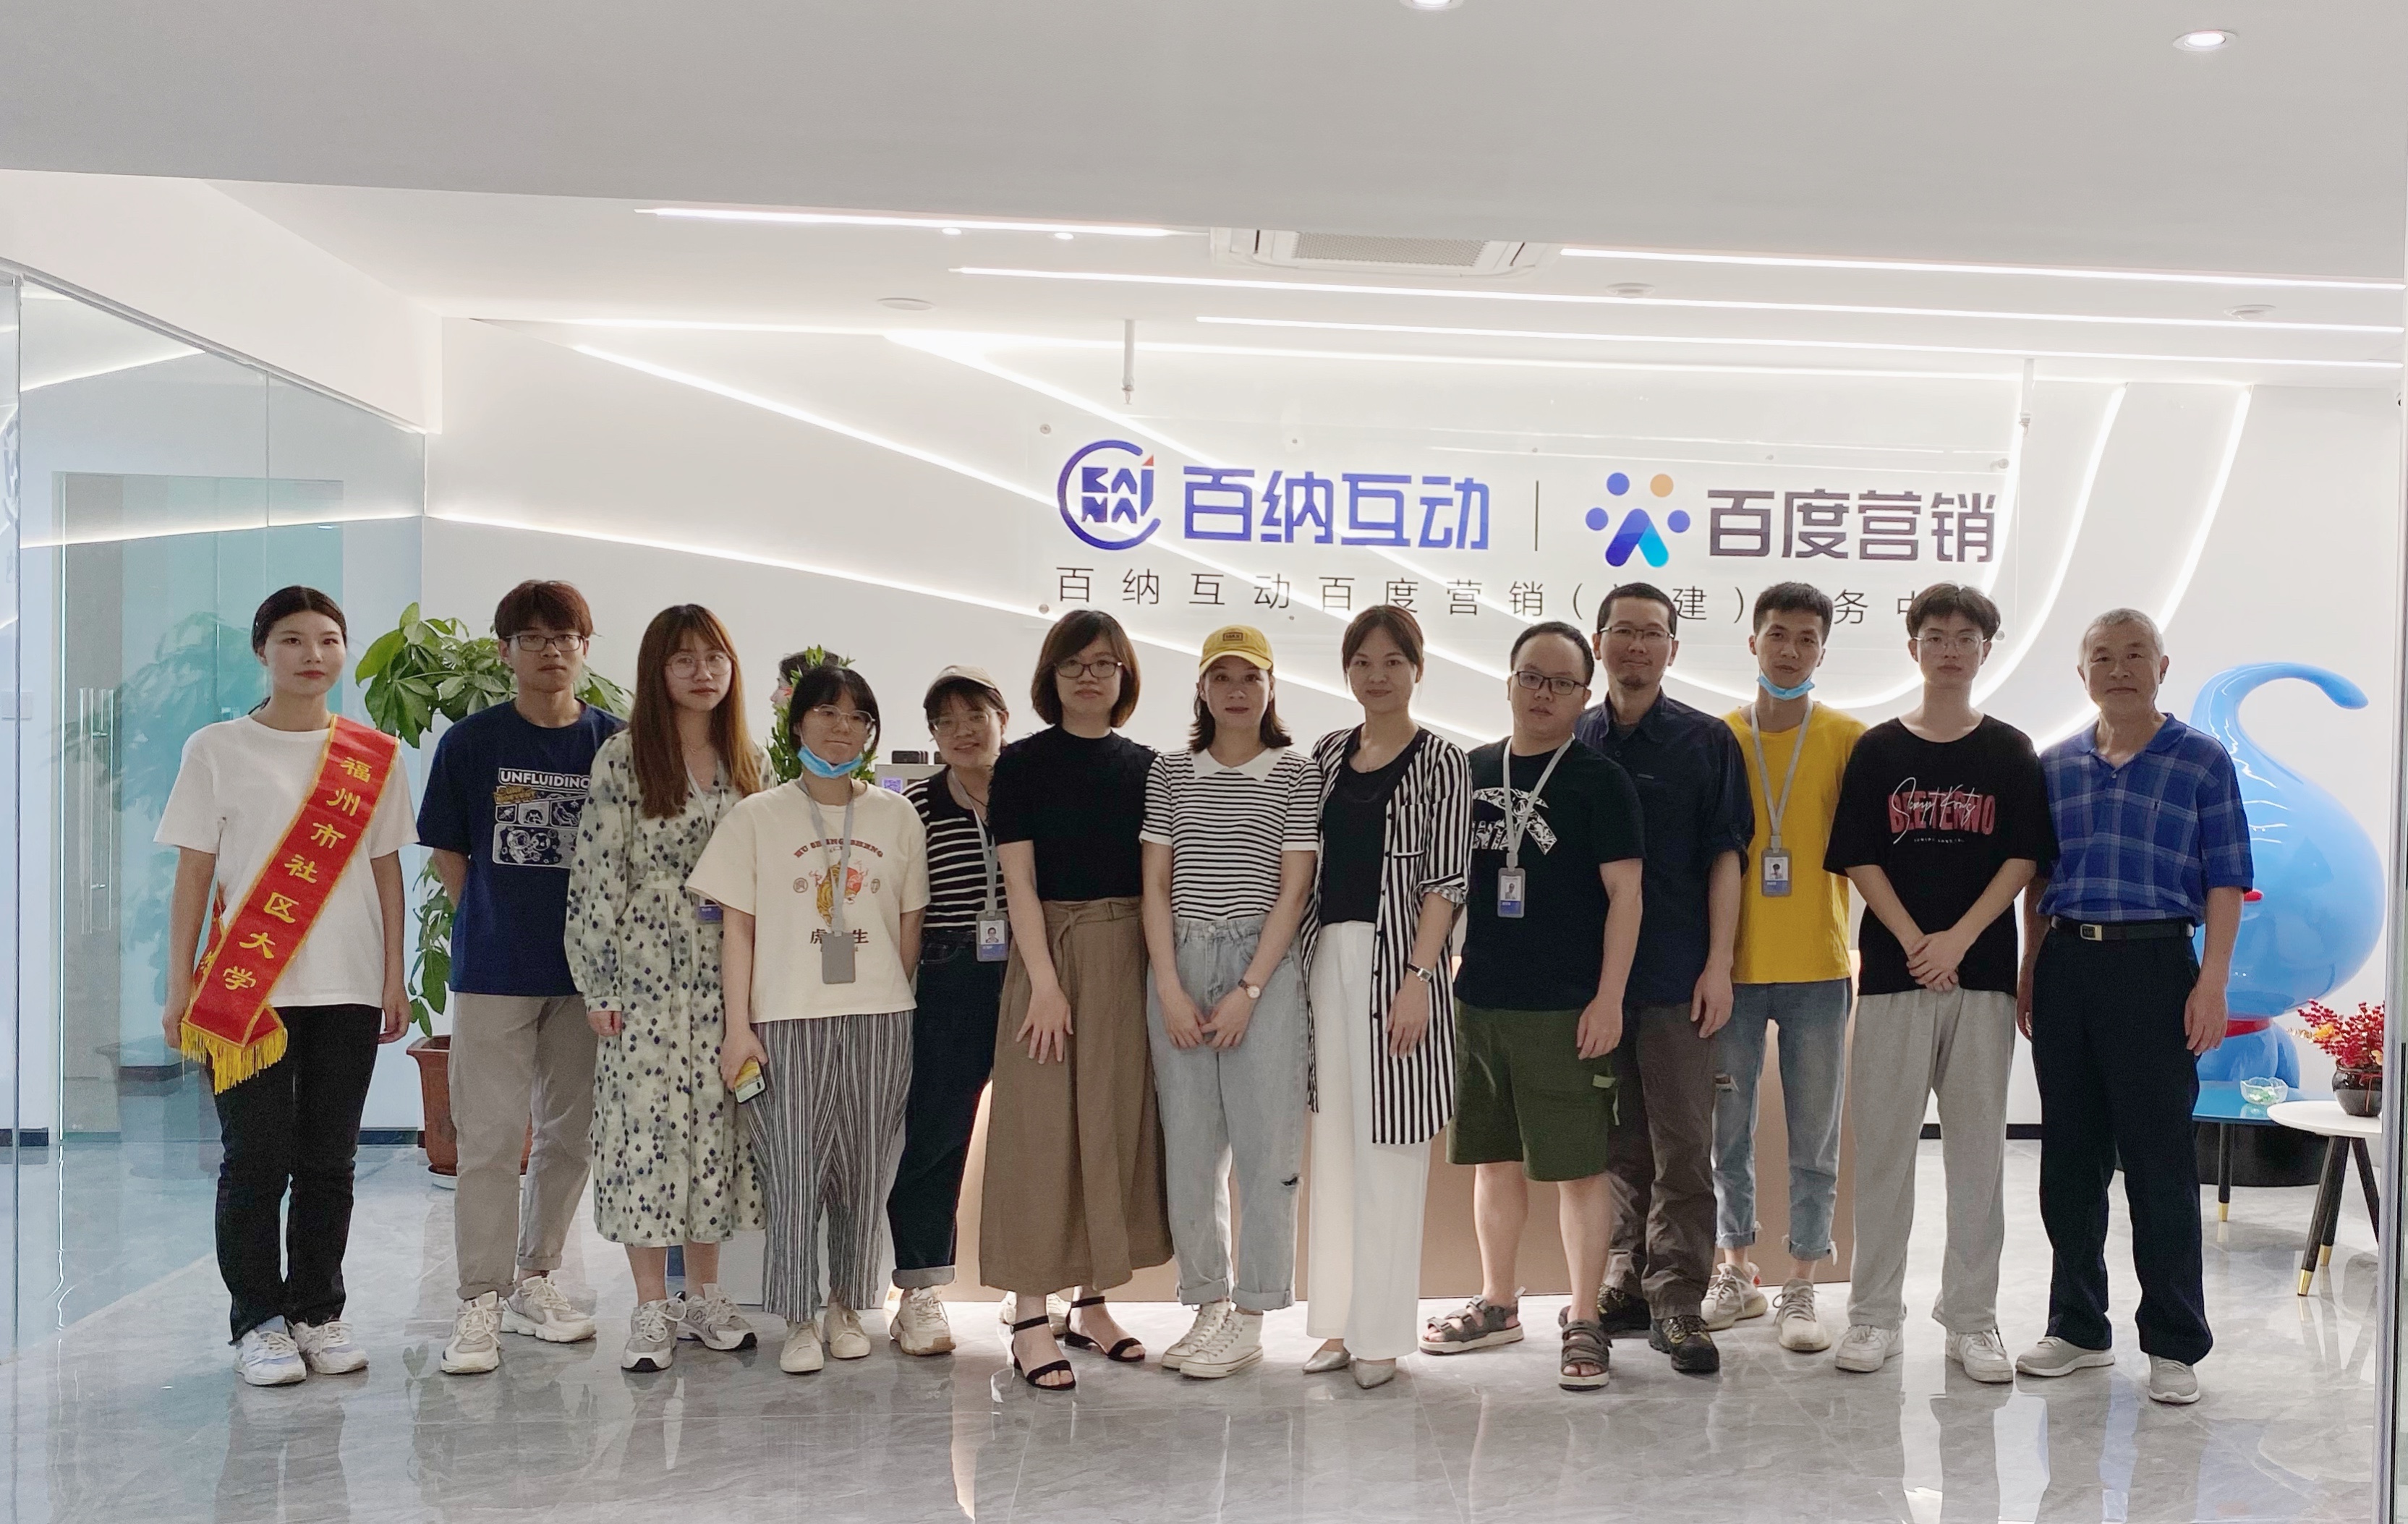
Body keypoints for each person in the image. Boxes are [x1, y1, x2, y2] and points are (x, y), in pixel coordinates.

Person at [157, 586, 414, 1386]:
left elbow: (386, 871)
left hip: (348, 984)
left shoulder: (373, 755)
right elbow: (194, 874)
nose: (313, 655)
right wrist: (177, 986)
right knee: (255, 1160)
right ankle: (258, 1322)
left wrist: (393, 974)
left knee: (330, 1159)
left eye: (329, 639)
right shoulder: (216, 748)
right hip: (249, 991)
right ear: (262, 650)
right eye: (294, 639)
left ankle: (318, 1312)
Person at [2015, 608, 2249, 1407]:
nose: (2118, 669)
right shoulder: (2054, 765)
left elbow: (2225, 878)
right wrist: (2030, 966)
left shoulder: (2200, 760)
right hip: (2066, 966)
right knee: (2068, 1159)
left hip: (2156, 967)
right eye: (2102, 657)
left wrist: (2211, 981)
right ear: (2081, 672)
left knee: (2158, 1162)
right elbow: (2039, 880)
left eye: (2134, 655)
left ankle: (2173, 1342)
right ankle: (2078, 1327)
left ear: (2162, 666)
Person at [1824, 583, 2053, 1382]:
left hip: (1980, 976)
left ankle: (1971, 1319)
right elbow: (1858, 856)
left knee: (1977, 1158)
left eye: (1964, 637)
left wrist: (1958, 938)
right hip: (1894, 975)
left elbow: (2021, 858)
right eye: (1935, 636)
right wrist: (1914, 940)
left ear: (1984, 650)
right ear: (1912, 646)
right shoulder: (1878, 750)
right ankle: (1872, 1315)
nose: (1949, 649)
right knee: (1884, 1152)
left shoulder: (2011, 750)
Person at [1421, 621, 1643, 1392]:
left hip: (1567, 1007)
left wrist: (1608, 998)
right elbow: (1445, 887)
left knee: (1578, 1169)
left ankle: (1583, 1317)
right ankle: (1497, 1301)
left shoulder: (1599, 781)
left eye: (1561, 682)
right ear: (1508, 682)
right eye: (1530, 677)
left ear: (1584, 694)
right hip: (1480, 1000)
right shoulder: (1470, 771)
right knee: (1492, 1159)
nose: (1543, 693)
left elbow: (1625, 897)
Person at [691, 661, 929, 1374]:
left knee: (864, 1174)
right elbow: (737, 928)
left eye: (857, 717)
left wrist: (886, 991)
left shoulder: (896, 815)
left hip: (879, 1018)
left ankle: (846, 1305)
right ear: (797, 724)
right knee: (792, 1173)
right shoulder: (756, 816)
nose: (841, 728)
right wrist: (738, 1026)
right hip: (785, 1018)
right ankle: (797, 1316)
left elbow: (908, 925)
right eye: (827, 713)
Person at [419, 580, 623, 1375]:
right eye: (532, 638)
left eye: (564, 637)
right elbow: (449, 849)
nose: (550, 651)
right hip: (495, 971)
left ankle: (536, 1277)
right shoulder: (471, 742)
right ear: (505, 651)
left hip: (587, 978)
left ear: (584, 648)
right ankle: (480, 1295)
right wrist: (490, 918)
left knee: (570, 1134)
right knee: (492, 1137)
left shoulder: (614, 744)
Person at [564, 605, 765, 1373]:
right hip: (643, 971)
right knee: (642, 1136)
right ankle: (650, 1306)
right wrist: (598, 984)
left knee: (716, 1130)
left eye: (714, 657)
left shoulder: (748, 759)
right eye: (684, 659)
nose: (702, 672)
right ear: (658, 670)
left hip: (727, 973)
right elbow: (594, 876)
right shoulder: (623, 757)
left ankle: (705, 1295)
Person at [979, 610, 1169, 1392]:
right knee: (1039, 1132)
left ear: (1124, 676)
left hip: (1127, 956)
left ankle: (1090, 1303)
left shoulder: (1150, 767)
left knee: (1111, 1124)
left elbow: (1156, 883)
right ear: (1050, 676)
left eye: (1103, 664)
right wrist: (1046, 982)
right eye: (1073, 664)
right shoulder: (1020, 764)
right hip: (1047, 956)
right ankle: (1029, 1314)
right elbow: (1018, 882)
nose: (1089, 677)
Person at [1574, 583, 1753, 1375]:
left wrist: (1719, 964)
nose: (1636, 645)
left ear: (1672, 649)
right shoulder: (1575, 736)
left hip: (1678, 975)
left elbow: (1726, 859)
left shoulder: (1705, 741)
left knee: (1682, 1144)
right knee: (1617, 1144)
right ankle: (1627, 1277)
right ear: (1598, 642)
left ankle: (1679, 1299)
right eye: (1622, 630)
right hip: (1590, 984)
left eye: (1652, 633)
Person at [1139, 626, 1320, 1381]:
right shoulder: (1170, 771)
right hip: (1180, 957)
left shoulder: (1296, 773)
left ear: (1271, 688)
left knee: (1264, 1149)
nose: (1236, 690)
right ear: (1202, 689)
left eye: (1251, 677)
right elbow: (1154, 883)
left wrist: (1249, 989)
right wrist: (1168, 986)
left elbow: (1293, 889)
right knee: (1188, 1149)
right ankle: (1207, 1301)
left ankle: (1252, 1312)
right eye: (1222, 676)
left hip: (1262, 964)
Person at [1300, 605, 1469, 1392]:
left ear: (1416, 670)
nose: (1377, 675)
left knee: (1390, 1149)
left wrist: (1418, 977)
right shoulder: (1328, 753)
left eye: (1392, 661)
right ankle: (1337, 1322)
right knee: (1334, 1148)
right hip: (1326, 961)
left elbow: (1446, 880)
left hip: (1398, 967)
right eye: (1362, 662)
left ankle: (1381, 1334)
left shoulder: (1442, 761)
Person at [1709, 583, 1865, 1352]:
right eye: (1777, 634)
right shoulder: (1719, 738)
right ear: (1753, 641)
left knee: (1814, 1136)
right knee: (1725, 1131)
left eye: (1806, 638)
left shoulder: (1847, 738)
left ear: (1821, 651)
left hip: (1817, 967)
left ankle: (1800, 1283)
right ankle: (1734, 1270)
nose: (1790, 650)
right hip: (1731, 969)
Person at [885, 665, 1014, 1358]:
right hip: (946, 978)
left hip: (1027, 980)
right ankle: (921, 1289)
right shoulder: (917, 806)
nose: (963, 731)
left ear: (1002, 719)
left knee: (1036, 1137)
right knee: (935, 1136)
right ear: (933, 735)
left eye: (975, 715)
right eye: (947, 721)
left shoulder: (1031, 791)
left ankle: (1033, 1285)